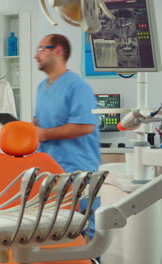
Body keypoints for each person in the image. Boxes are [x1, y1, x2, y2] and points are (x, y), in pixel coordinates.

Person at [33, 34, 101, 239]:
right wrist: (33, 128)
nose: (37, 55)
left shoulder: (77, 86)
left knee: (82, 233)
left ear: (58, 51)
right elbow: (41, 121)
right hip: (50, 173)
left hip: (77, 171)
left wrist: (44, 133)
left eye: (41, 49)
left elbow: (86, 125)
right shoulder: (42, 88)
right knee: (55, 233)